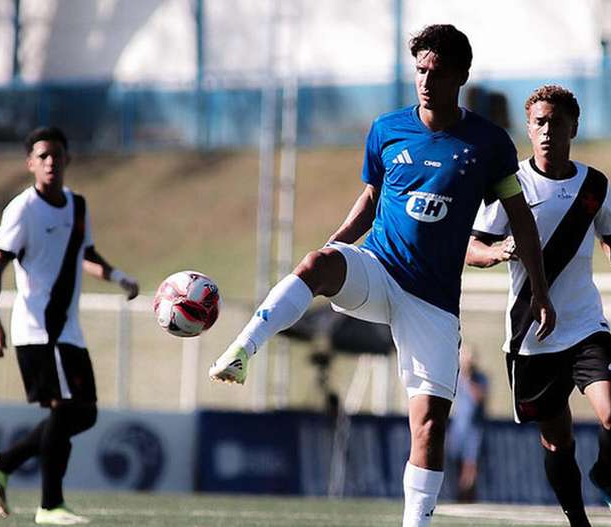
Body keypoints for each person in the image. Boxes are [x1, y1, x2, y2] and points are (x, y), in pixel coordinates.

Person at [209, 25, 556, 527]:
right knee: (315, 262)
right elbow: (371, 200)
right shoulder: (386, 129)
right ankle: (242, 349)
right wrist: (335, 244)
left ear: (460, 75)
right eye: (419, 69)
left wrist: (539, 291)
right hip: (378, 269)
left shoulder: (489, 144)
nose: (426, 80)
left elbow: (519, 217)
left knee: (430, 427)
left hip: (431, 303)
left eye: (436, 72)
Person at [466, 85, 611, 527]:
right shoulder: (510, 184)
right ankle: (578, 521)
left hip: (583, 327)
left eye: (556, 123)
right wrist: (497, 251)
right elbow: (472, 246)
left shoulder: (594, 185)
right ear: (528, 127)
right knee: (558, 443)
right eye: (539, 123)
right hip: (532, 336)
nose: (547, 131)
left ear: (572, 127)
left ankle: (605, 473)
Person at [0, 126, 139, 525]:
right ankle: (50, 505)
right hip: (37, 330)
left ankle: (3, 464)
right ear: (30, 163)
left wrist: (119, 277)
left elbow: (83, 252)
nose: (50, 162)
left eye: (57, 155)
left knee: (84, 414)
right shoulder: (22, 210)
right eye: (42, 156)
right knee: (68, 410)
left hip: (68, 330)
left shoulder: (77, 206)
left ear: (68, 159)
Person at [445, 346, 488, 503]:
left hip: (474, 428)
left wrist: (469, 379)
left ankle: (468, 496)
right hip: (458, 426)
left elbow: (479, 398)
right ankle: (459, 494)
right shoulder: (456, 377)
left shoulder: (480, 378)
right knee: (456, 462)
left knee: (471, 464)